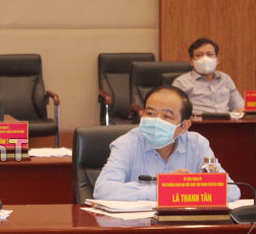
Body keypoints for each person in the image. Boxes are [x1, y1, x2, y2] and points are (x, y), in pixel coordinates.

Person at [94, 85, 240, 202]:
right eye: (150, 114)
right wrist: (164, 190)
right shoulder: (127, 143)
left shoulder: (197, 144)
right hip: (139, 226)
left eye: (166, 116)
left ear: (184, 126)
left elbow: (232, 191)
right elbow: (103, 190)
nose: (156, 121)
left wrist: (191, 187)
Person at [172, 37, 245, 114]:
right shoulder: (181, 82)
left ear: (217, 60)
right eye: (199, 55)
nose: (205, 59)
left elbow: (239, 107)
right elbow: (174, 111)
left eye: (209, 54)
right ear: (191, 61)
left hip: (226, 120)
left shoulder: (225, 79)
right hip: (197, 121)